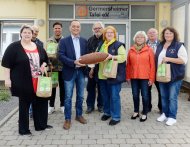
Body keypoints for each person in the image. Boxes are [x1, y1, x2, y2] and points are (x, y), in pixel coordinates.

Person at [1, 24, 52, 135]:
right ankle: (24, 130)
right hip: (23, 81)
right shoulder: (14, 47)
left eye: (29, 32)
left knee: (40, 103)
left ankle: (41, 125)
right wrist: (7, 79)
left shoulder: (38, 46)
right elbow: (6, 64)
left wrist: (43, 64)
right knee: (24, 105)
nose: (27, 34)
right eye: (25, 32)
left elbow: (45, 60)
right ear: (21, 33)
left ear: (32, 34)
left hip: (38, 81)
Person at [59, 20, 88, 130]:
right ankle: (67, 119)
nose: (76, 28)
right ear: (70, 28)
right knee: (68, 97)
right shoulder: (64, 41)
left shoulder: (84, 41)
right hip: (69, 71)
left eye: (78, 26)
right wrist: (73, 62)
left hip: (81, 72)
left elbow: (87, 55)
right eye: (74, 26)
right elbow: (60, 55)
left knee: (80, 95)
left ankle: (79, 115)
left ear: (80, 28)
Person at [156, 27, 188, 126]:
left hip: (175, 76)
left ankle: (172, 117)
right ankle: (165, 114)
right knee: (164, 96)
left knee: (172, 97)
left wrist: (169, 59)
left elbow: (183, 60)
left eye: (170, 33)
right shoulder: (161, 45)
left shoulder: (179, 45)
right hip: (162, 75)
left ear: (174, 35)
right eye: (166, 33)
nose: (168, 35)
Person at [95, 26, 126, 126]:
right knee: (105, 96)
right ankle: (107, 112)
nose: (109, 34)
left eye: (111, 32)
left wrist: (112, 57)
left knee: (114, 96)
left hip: (113, 75)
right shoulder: (101, 44)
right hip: (102, 75)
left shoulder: (118, 45)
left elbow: (123, 57)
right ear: (104, 34)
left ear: (114, 34)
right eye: (107, 32)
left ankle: (116, 116)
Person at [126, 31, 155, 122]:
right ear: (135, 39)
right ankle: (136, 111)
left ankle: (145, 113)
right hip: (134, 76)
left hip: (145, 77)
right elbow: (128, 65)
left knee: (145, 95)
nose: (139, 39)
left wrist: (151, 78)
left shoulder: (149, 49)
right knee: (135, 95)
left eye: (141, 37)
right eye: (138, 37)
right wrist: (128, 76)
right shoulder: (131, 50)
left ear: (145, 39)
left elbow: (152, 65)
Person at [85, 22, 104, 114]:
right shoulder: (90, 40)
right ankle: (90, 106)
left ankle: (101, 105)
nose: (97, 30)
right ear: (93, 30)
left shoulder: (105, 40)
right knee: (90, 87)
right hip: (91, 69)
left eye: (99, 28)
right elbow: (88, 55)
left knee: (101, 88)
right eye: (95, 28)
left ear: (102, 29)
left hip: (102, 68)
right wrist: (91, 68)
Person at [47, 22, 65, 114]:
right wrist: (49, 64)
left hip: (62, 69)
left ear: (61, 29)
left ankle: (62, 105)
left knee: (63, 88)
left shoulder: (65, 40)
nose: (57, 30)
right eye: (56, 28)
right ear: (53, 29)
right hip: (53, 68)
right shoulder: (48, 41)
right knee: (53, 87)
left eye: (59, 28)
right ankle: (51, 106)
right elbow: (45, 55)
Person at [29, 25, 44, 118]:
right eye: (34, 31)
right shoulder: (24, 42)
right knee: (28, 92)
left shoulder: (40, 43)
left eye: (37, 31)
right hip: (27, 72)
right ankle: (29, 112)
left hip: (37, 71)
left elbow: (42, 56)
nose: (35, 33)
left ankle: (35, 112)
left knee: (36, 92)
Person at [147, 28, 162, 113]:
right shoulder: (143, 44)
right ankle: (148, 107)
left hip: (159, 71)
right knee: (146, 91)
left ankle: (161, 108)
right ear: (147, 35)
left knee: (161, 91)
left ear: (157, 34)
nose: (152, 34)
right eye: (150, 33)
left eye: (153, 32)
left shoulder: (162, 44)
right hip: (147, 72)